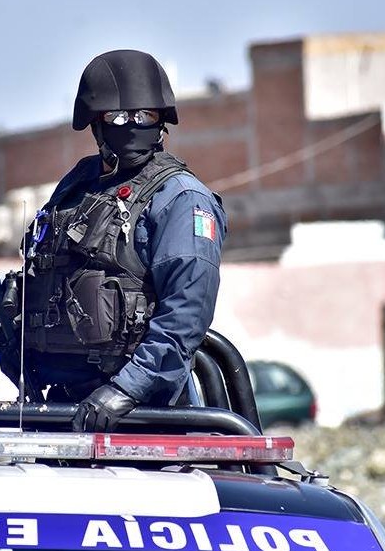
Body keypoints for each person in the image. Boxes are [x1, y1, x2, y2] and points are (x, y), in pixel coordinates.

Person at [16, 49, 227, 431]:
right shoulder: (77, 186)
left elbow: (185, 316)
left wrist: (125, 391)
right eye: (117, 116)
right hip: (61, 404)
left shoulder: (181, 198)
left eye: (144, 115)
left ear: (161, 120)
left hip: (145, 415)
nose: (131, 124)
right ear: (96, 123)